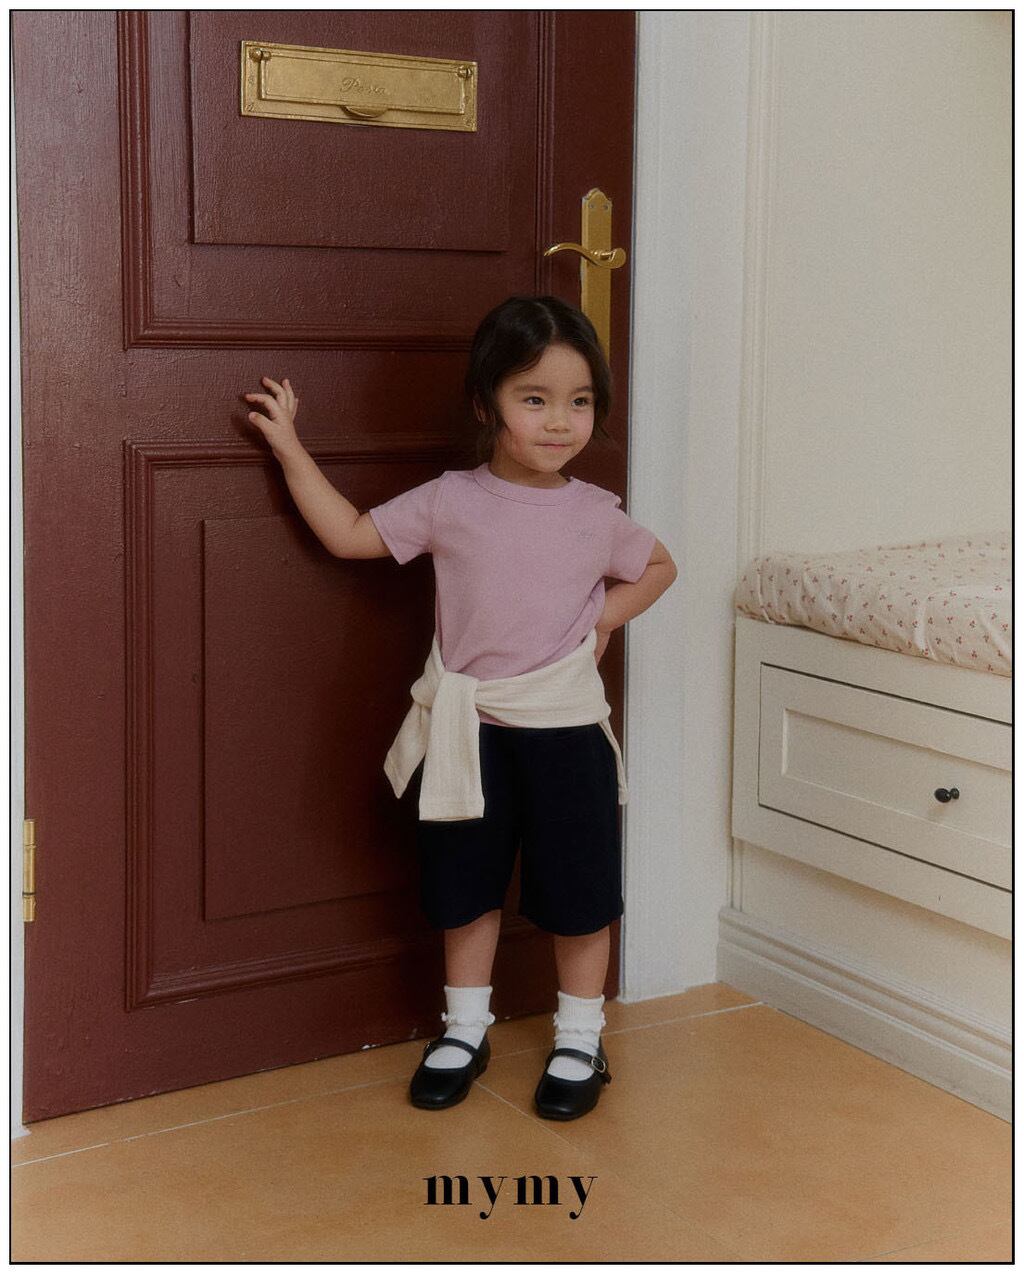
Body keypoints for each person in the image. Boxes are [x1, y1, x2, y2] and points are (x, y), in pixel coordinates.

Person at [243, 295, 677, 1121]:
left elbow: (659, 567)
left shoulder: (595, 514)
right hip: (468, 733)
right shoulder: (451, 500)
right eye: (534, 399)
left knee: (580, 892)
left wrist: (602, 621)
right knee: (465, 886)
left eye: (580, 401)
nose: (560, 422)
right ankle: (465, 1029)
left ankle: (580, 1038)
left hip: (565, 734)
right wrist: (290, 446)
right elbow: (349, 535)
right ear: (485, 405)